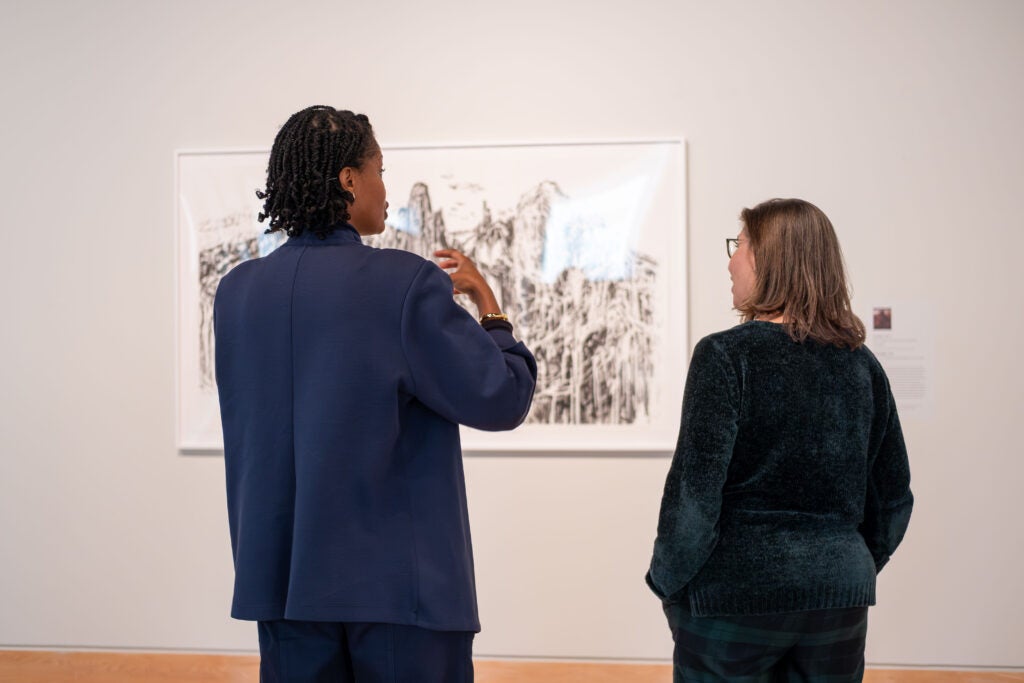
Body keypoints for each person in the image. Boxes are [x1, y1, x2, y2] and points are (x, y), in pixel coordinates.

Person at [214, 105, 537, 682]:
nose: (386, 189)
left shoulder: (237, 294)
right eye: (380, 171)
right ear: (348, 179)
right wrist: (491, 306)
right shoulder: (403, 284)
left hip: (284, 589)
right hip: (398, 595)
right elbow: (502, 397)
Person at [647, 198, 912, 682]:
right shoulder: (861, 365)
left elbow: (694, 495)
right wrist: (842, 562)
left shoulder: (726, 356)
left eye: (740, 246)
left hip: (735, 594)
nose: (730, 261)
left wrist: (667, 581)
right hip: (838, 596)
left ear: (771, 259)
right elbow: (893, 497)